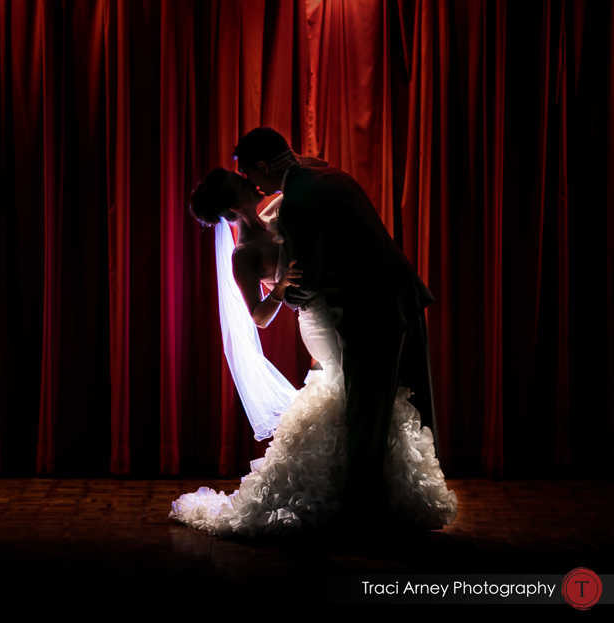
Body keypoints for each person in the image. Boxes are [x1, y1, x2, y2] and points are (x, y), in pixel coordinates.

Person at [169, 145, 456, 537]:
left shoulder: (281, 210)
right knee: (346, 395)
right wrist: (280, 288)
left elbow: (315, 175)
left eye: (246, 175)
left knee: (357, 396)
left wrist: (288, 162)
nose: (250, 182)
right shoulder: (244, 254)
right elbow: (258, 317)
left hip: (335, 308)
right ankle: (350, 496)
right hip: (318, 323)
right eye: (240, 183)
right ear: (232, 208)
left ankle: (368, 493)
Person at [234, 127, 441, 522]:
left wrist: (285, 292)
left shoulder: (295, 203)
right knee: (395, 405)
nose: (253, 185)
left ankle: (360, 516)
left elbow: (307, 280)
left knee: (364, 415)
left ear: (262, 166)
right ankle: (386, 504)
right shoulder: (332, 177)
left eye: (250, 174)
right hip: (399, 293)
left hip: (367, 312)